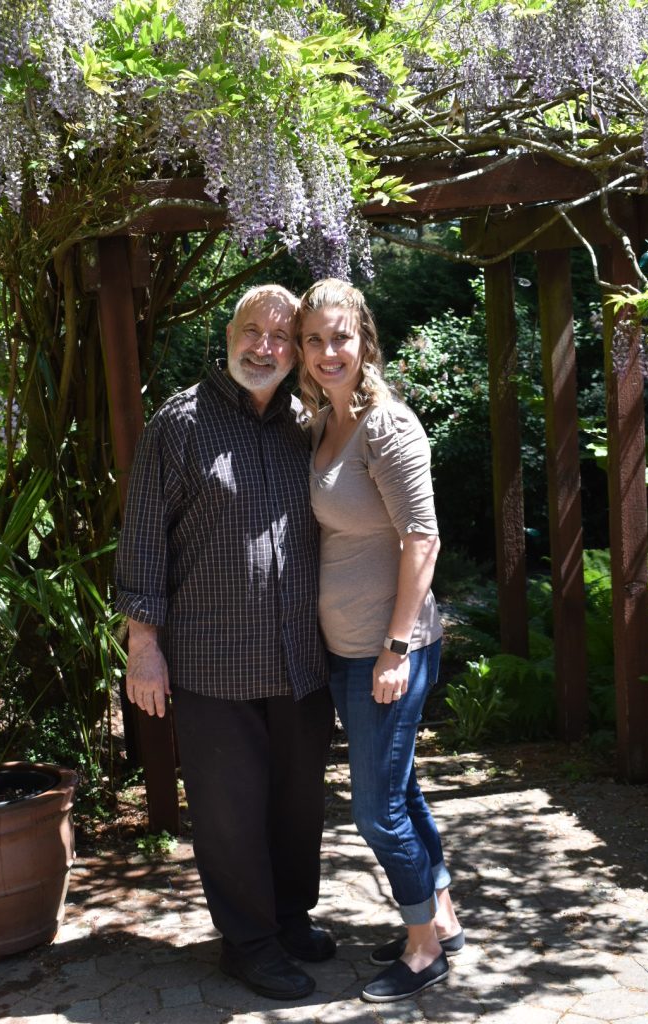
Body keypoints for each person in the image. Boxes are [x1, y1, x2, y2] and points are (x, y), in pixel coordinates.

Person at [114, 284, 335, 1001]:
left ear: (294, 349)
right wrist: (143, 646)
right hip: (214, 661)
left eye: (281, 336)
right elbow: (142, 539)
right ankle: (249, 944)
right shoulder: (179, 422)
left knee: (298, 804)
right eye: (252, 331)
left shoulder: (306, 421)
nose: (264, 348)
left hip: (300, 655)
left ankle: (289, 919)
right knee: (229, 813)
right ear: (229, 333)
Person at [297, 278, 464, 1004]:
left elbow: (422, 538)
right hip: (346, 649)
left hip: (388, 650)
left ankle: (423, 951)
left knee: (376, 811)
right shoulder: (324, 423)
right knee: (401, 790)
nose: (327, 351)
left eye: (340, 336)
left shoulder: (386, 425)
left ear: (364, 340)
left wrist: (395, 649)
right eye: (314, 339)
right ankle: (442, 919)